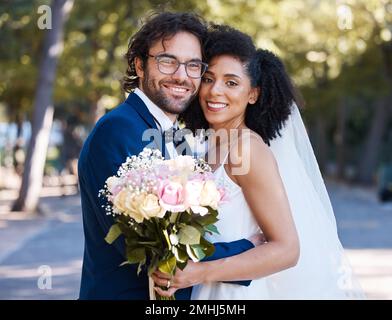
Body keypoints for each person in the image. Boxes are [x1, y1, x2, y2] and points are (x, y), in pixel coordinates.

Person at [152, 24, 365, 299]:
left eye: (231, 83)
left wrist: (200, 271)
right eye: (208, 78)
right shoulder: (206, 148)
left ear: (252, 94)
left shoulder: (247, 150)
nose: (215, 91)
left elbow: (287, 250)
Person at [78, 13, 258, 300]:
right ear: (139, 65)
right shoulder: (119, 129)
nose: (181, 75)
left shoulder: (175, 134)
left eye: (193, 65)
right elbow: (146, 247)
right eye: (167, 61)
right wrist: (248, 249)